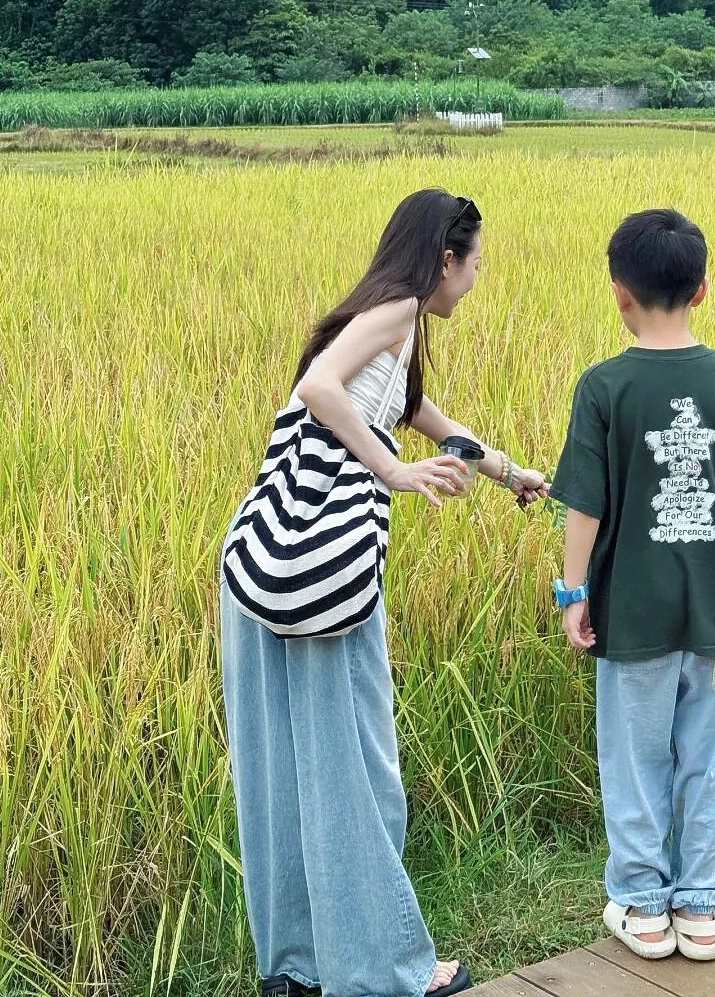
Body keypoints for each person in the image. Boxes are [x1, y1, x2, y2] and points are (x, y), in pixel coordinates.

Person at [220, 189, 549, 997]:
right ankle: (388, 970)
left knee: (284, 770)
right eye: (475, 263)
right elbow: (321, 390)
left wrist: (511, 475)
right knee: (358, 767)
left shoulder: (386, 331)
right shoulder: (399, 312)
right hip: (328, 573)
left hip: (265, 563)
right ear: (445, 258)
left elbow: (437, 427)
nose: (475, 280)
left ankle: (296, 968)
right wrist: (391, 469)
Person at [549, 208, 715, 962]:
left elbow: (585, 504)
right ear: (704, 291)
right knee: (712, 756)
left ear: (619, 294)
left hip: (635, 617)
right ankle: (702, 908)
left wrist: (573, 592)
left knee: (635, 755)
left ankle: (644, 908)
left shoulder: (604, 387)